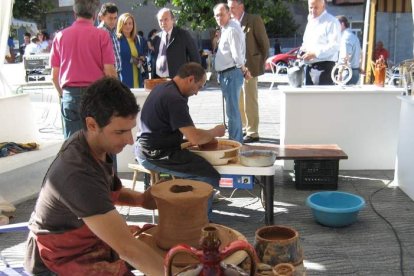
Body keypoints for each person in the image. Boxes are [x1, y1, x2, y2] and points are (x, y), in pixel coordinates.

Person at [23, 77, 164, 275]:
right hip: (57, 260)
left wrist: (142, 199)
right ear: (91, 124)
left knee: (159, 244)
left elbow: (109, 193)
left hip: (87, 240)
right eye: (120, 131)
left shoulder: (96, 146)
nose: (130, 140)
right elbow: (127, 249)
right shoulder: (77, 172)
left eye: (130, 129)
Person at [135, 62, 225, 217]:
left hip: (151, 145)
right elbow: (194, 137)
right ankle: (200, 219)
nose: (197, 92)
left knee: (199, 163)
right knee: (208, 174)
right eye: (199, 86)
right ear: (190, 79)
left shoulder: (164, 87)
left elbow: (189, 130)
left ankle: (199, 200)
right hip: (154, 153)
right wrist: (215, 132)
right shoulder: (174, 98)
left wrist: (201, 137)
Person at [50, 0, 117, 139]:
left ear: (75, 13)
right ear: (94, 13)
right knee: (103, 144)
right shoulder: (102, 35)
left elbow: (54, 76)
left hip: (70, 95)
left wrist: (64, 95)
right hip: (97, 94)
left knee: (74, 146)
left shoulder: (60, 36)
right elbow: (110, 72)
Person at [228, 0, 270, 144]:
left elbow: (264, 43)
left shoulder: (254, 20)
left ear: (241, 7)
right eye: (229, 7)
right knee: (239, 99)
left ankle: (253, 132)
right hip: (234, 67)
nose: (230, 10)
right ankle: (245, 127)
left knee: (250, 99)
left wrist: (259, 62)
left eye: (232, 7)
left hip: (250, 66)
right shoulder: (230, 22)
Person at [214, 3, 250, 143]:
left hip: (231, 73)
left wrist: (243, 70)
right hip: (228, 74)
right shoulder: (227, 28)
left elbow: (237, 55)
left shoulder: (231, 30)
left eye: (222, 14)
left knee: (233, 111)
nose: (219, 17)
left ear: (229, 13)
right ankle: (235, 140)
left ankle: (235, 142)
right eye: (217, 15)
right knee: (232, 111)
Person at [299, 0, 341, 85]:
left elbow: (335, 46)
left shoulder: (332, 22)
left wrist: (315, 53)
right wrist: (301, 51)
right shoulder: (310, 21)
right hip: (308, 67)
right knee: (308, 98)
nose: (313, 11)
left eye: (316, 8)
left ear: (323, 6)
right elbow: (306, 42)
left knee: (322, 98)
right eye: (311, 7)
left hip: (325, 69)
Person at [153, 8, 201, 78]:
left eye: (166, 19)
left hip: (178, 79)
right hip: (159, 78)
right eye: (160, 20)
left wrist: (194, 77)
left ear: (173, 20)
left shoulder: (183, 35)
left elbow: (195, 56)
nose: (163, 23)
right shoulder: (157, 38)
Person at [117, 13, 145, 88]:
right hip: (123, 79)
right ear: (120, 25)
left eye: (130, 23)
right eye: (125, 24)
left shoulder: (138, 39)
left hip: (137, 78)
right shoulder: (117, 39)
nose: (128, 26)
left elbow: (142, 55)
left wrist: (142, 59)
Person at [98, 2, 122, 79]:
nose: (113, 21)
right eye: (110, 18)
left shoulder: (114, 31)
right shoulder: (99, 33)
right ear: (102, 17)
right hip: (105, 76)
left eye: (115, 18)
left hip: (117, 73)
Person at [337, 15, 361, 85]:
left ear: (342, 24)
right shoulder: (353, 36)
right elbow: (360, 54)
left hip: (347, 73)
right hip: (354, 71)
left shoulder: (346, 37)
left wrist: (340, 72)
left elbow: (345, 56)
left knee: (341, 96)